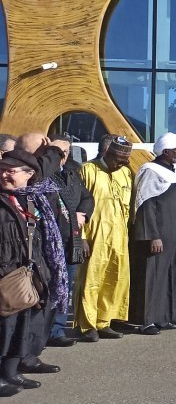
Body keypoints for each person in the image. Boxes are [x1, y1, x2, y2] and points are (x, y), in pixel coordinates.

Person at [0, 148, 70, 393]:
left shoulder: (30, 197)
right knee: (5, 325)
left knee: (21, 324)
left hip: (29, 270)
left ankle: (12, 371)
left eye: (11, 171)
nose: (5, 175)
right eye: (2, 170)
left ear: (29, 174)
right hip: (7, 272)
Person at [77, 135, 135, 340]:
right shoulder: (87, 170)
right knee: (91, 279)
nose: (121, 165)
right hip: (94, 234)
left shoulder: (126, 173)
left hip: (119, 235)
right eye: (118, 160)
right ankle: (87, 325)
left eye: (124, 161)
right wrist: (81, 237)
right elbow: (77, 207)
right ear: (107, 154)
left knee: (114, 279)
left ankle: (104, 321)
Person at [129, 132, 176, 333]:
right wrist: (152, 235)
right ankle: (148, 320)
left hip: (175, 233)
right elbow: (145, 204)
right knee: (152, 276)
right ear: (165, 151)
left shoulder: (175, 171)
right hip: (157, 235)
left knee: (171, 274)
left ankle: (166, 316)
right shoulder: (150, 170)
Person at [46, 138, 92, 346]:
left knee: (65, 287)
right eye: (59, 151)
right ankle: (43, 333)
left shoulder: (71, 173)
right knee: (49, 287)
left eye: (66, 151)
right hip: (51, 239)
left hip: (71, 239)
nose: (64, 155)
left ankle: (57, 330)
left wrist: (82, 213)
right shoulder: (44, 175)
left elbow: (87, 197)